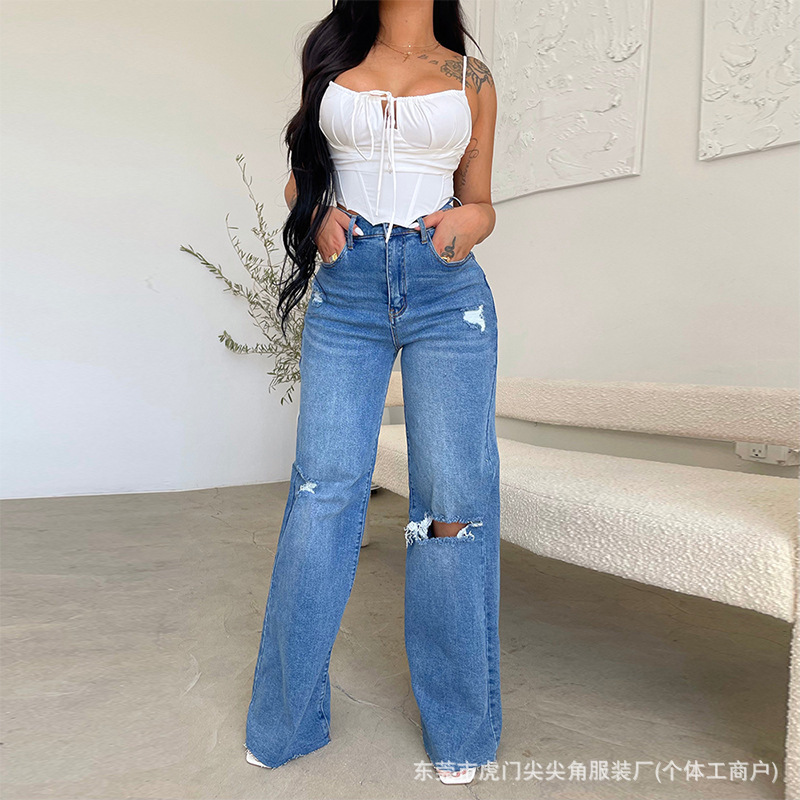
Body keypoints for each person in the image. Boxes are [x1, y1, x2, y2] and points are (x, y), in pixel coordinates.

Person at [245, 0, 501, 786]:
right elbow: (301, 177)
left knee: (451, 504)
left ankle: (460, 730)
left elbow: (481, 200)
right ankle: (287, 722)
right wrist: (316, 213)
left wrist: (471, 223)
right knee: (322, 494)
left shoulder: (472, 77)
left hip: (445, 293)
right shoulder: (332, 59)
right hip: (347, 295)